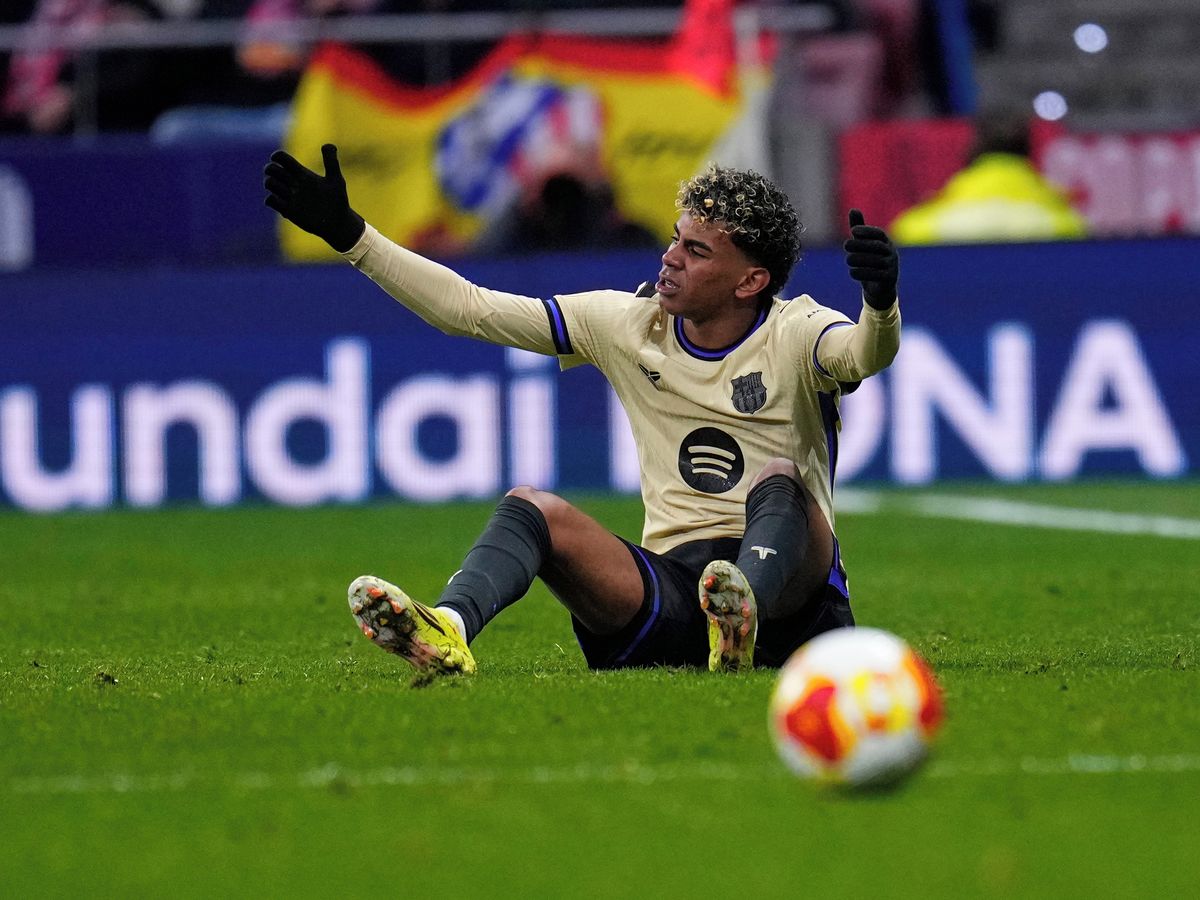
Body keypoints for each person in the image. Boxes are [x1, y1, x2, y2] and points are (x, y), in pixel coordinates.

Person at [263, 144, 901, 677]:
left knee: (780, 479)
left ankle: (742, 618)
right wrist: (353, 237)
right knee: (532, 508)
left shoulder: (796, 331)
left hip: (794, 604)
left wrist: (879, 303)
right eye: (676, 240)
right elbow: (469, 309)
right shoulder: (626, 324)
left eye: (697, 251)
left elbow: (861, 354)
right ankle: (448, 628)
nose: (671, 257)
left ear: (750, 281)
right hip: (677, 594)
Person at [889, 109, 1088, 245]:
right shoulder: (1066, 226)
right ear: (1028, 153)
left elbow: (904, 234)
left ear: (971, 152)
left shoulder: (923, 226)